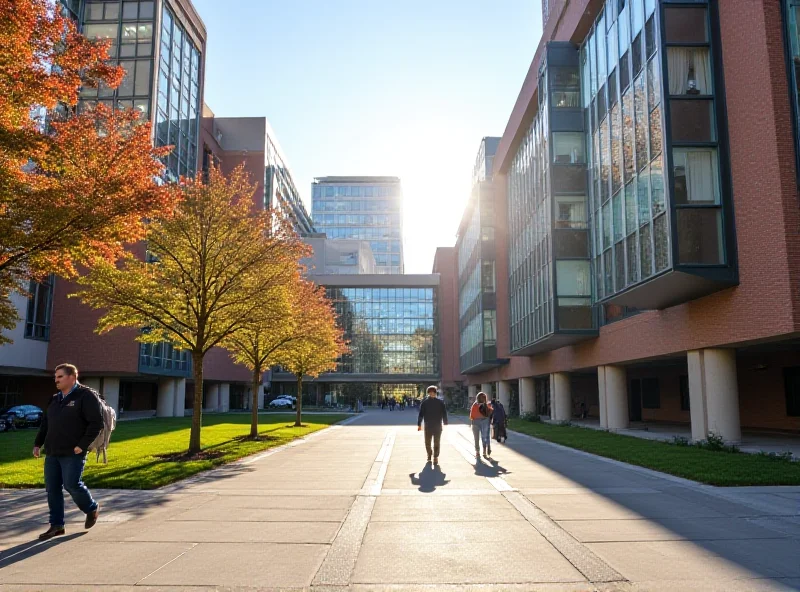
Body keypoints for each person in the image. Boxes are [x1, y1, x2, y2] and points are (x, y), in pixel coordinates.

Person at [33, 363, 104, 541]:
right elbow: (46, 424)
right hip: (52, 451)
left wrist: (83, 444)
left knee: (72, 484)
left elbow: (96, 423)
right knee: (52, 489)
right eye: (55, 377)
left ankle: (91, 508)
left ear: (72, 377)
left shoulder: (85, 396)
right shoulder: (55, 399)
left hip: (74, 451)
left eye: (60, 377)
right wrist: (38, 444)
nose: (56, 380)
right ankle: (56, 525)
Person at [417, 385, 448, 465]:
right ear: (428, 393)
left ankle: (435, 457)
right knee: (427, 442)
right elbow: (421, 414)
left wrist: (445, 421)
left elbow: (444, 412)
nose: (432, 394)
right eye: (430, 392)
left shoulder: (440, 402)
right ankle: (429, 453)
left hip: (437, 425)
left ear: (435, 393)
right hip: (428, 425)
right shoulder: (425, 403)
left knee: (436, 442)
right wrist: (419, 424)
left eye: (433, 392)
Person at [470, 392, 493, 458]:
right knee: (485, 437)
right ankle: (484, 451)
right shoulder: (487, 404)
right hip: (485, 421)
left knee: (476, 438)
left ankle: (477, 452)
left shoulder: (474, 405)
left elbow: (471, 415)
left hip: (475, 423)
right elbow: (491, 412)